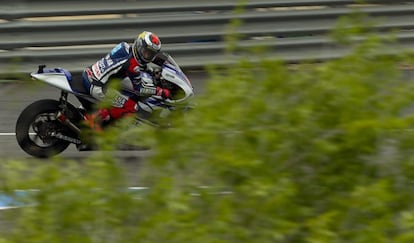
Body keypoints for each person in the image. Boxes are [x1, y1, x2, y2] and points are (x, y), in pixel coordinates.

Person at [80, 31, 172, 129]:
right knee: (130, 106)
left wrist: (150, 70)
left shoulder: (123, 46)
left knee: (120, 93)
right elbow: (140, 89)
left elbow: (121, 65)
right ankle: (91, 121)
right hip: (97, 86)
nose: (147, 56)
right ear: (139, 46)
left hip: (90, 73)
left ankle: (92, 113)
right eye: (146, 52)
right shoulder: (132, 65)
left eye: (150, 54)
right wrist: (160, 91)